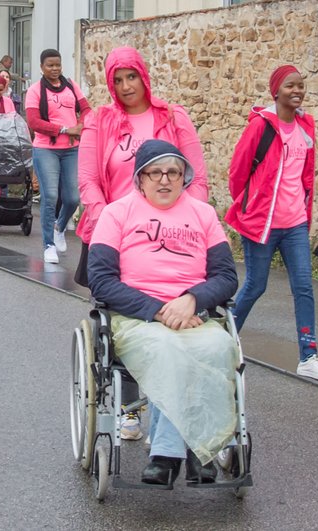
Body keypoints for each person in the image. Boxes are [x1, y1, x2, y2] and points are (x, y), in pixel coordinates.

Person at [86, 139, 239, 486]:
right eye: (155, 172)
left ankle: (195, 451)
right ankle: (175, 452)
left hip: (193, 314)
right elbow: (101, 280)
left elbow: (227, 276)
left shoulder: (203, 214)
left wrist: (192, 299)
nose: (165, 180)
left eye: (173, 171)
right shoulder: (117, 213)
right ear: (140, 178)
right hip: (137, 317)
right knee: (168, 350)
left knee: (218, 348)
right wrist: (156, 311)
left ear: (185, 176)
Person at [76, 46, 210, 440]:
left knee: (181, 315)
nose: (125, 86)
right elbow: (88, 183)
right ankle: (130, 406)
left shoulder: (173, 118)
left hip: (174, 236)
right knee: (125, 319)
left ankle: (181, 404)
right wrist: (113, 228)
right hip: (116, 235)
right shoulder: (99, 121)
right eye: (117, 80)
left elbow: (196, 178)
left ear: (144, 77)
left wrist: (188, 220)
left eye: (131, 77)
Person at [225, 65, 318, 382]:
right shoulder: (261, 127)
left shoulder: (305, 126)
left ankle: (308, 356)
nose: (297, 90)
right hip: (262, 223)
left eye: (300, 85)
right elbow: (237, 172)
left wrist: (301, 206)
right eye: (290, 85)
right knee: (255, 285)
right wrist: (251, 205)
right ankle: (223, 342)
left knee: (303, 287)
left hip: (295, 224)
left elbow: (304, 174)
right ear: (276, 91)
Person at [26, 49, 91, 264]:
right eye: (50, 65)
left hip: (71, 149)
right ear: (42, 67)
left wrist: (84, 124)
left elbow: (86, 109)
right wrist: (65, 129)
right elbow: (34, 122)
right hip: (46, 149)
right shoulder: (35, 91)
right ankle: (48, 245)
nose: (55, 69)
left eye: (58, 65)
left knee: (73, 197)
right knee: (50, 196)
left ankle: (59, 227)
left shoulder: (71, 86)